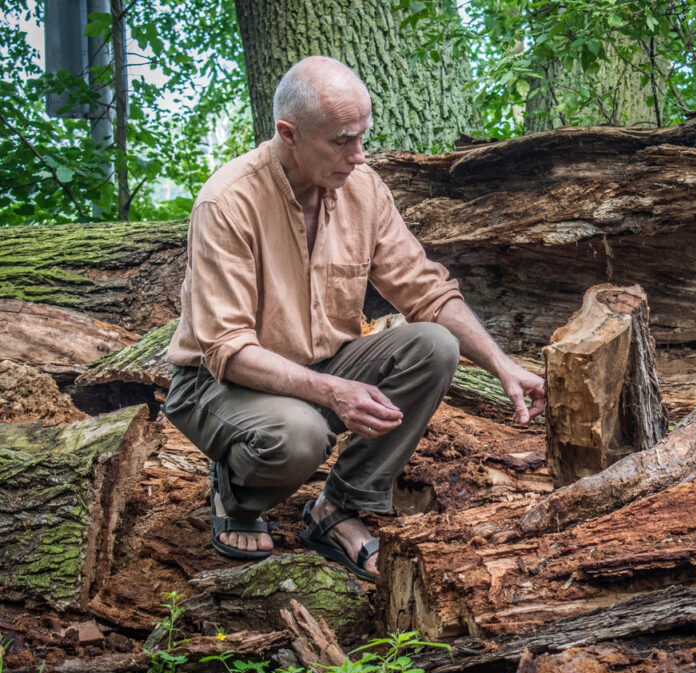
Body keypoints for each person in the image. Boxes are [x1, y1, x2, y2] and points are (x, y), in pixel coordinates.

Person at [163, 56, 545, 581]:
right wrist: (332, 393)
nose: (359, 156)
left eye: (363, 136)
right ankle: (239, 494)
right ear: (288, 134)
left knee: (434, 346)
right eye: (342, 140)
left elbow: (426, 290)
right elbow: (227, 348)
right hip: (219, 382)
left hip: (321, 364)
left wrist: (502, 365)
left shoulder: (362, 187)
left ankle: (334, 509)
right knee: (299, 435)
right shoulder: (227, 203)